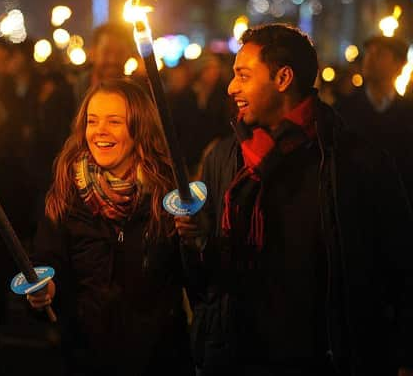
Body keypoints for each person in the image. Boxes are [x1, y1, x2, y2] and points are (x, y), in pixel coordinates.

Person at [190, 23, 413, 376]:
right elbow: (206, 275)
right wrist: (190, 240)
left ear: (283, 79)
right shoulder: (223, 159)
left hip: (328, 358)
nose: (232, 88)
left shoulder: (355, 162)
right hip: (240, 357)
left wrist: (402, 353)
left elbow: (400, 264)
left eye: (244, 76)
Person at [27, 78, 199, 376]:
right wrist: (44, 290)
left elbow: (199, 281)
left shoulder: (170, 193)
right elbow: (47, 262)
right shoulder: (66, 192)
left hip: (159, 359)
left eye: (114, 121)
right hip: (86, 356)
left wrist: (195, 240)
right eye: (93, 121)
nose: (100, 131)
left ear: (139, 127)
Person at [336, 35, 413, 204]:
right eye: (369, 52)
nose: (369, 58)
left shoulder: (408, 113)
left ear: (399, 65)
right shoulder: (343, 110)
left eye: (379, 54)